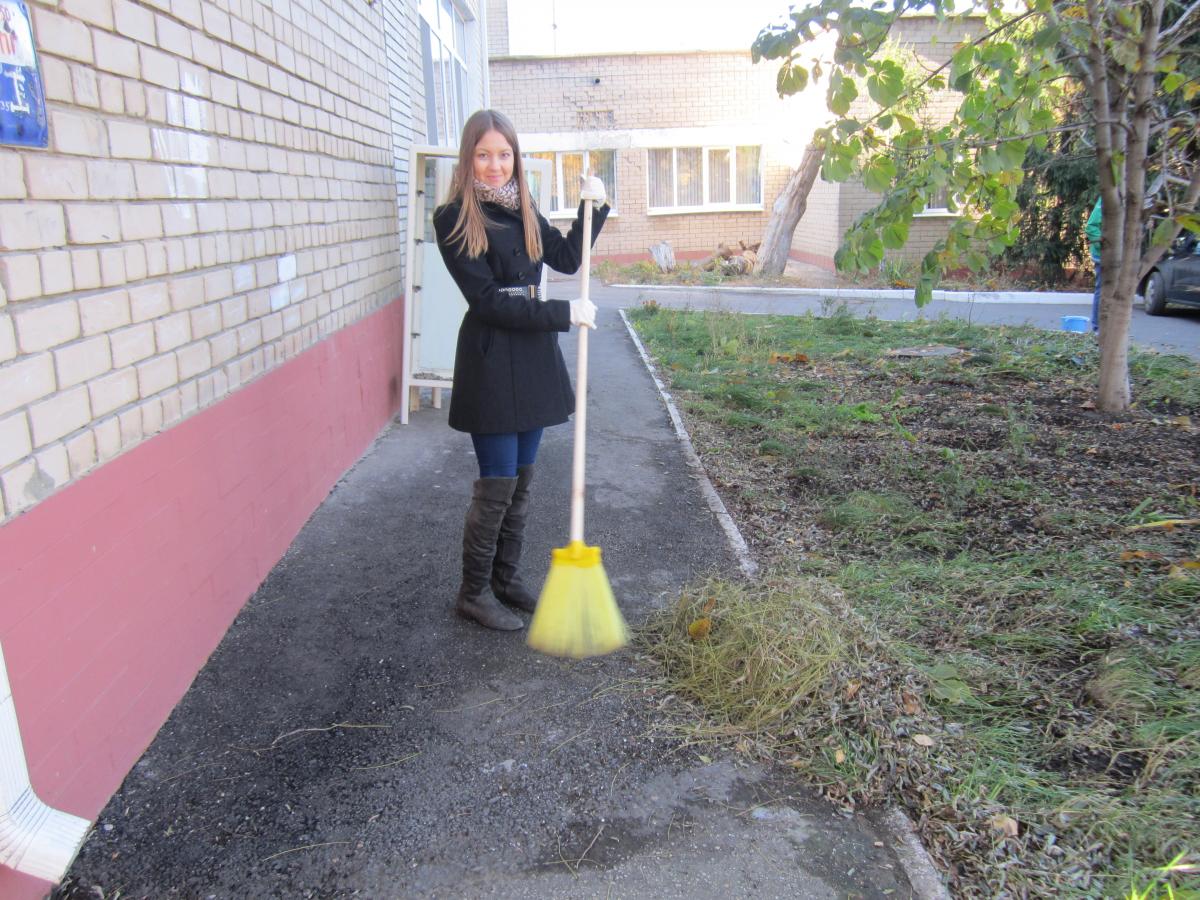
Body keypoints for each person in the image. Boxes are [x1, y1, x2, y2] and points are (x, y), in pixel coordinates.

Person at [432, 109, 609, 631]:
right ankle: (473, 592)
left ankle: (506, 580)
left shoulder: (524, 206)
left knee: (523, 481)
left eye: (503, 154)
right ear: (469, 159)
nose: (494, 165)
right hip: (491, 359)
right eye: (483, 154)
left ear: (516, 157)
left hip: (531, 358)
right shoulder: (453, 218)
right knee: (498, 481)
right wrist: (561, 313)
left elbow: (567, 259)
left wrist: (591, 206)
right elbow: (486, 300)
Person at [1085, 196, 1102, 335]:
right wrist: (1106, 245)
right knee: (1102, 290)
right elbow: (1091, 227)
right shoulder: (1107, 200)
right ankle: (1097, 328)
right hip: (1103, 255)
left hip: (1124, 257)